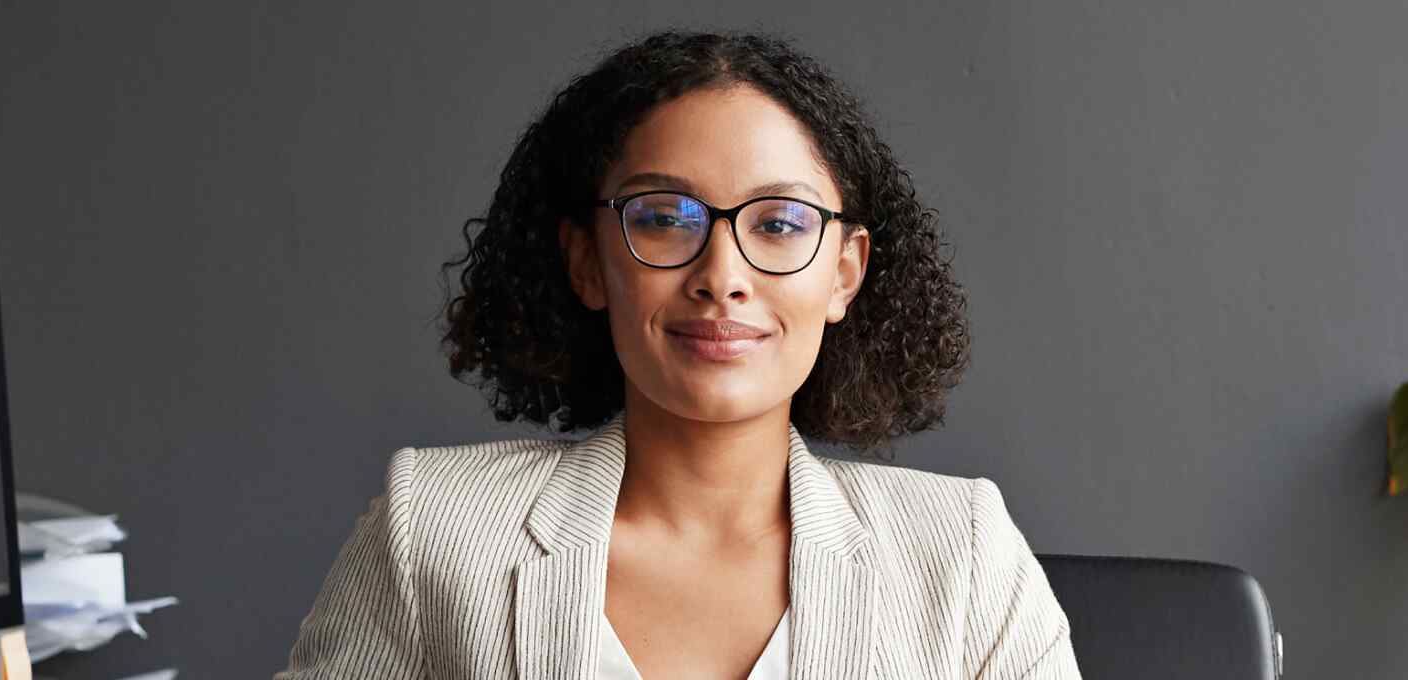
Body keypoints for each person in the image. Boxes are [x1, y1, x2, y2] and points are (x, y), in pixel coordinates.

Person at [278, 30, 1078, 679]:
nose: (722, 277)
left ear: (844, 273)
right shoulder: (435, 531)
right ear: (589, 261)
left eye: (779, 223)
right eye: (664, 217)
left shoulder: (963, 557)